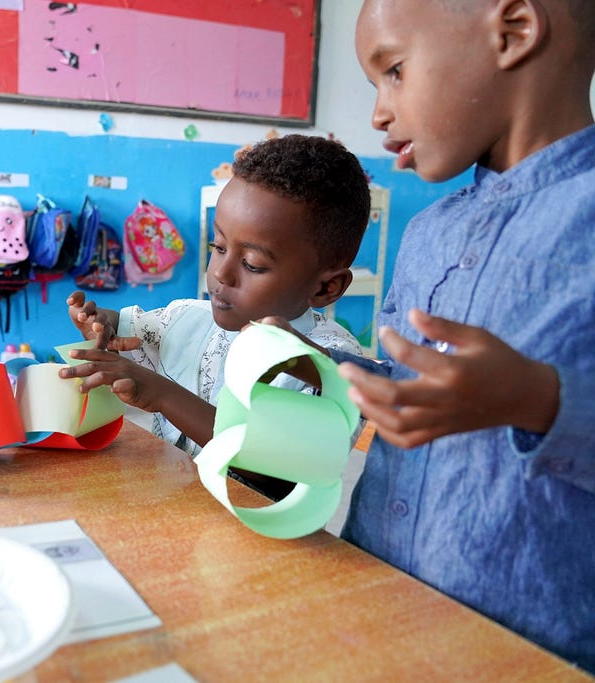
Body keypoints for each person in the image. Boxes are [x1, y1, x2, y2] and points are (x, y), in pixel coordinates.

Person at [271, 0, 593, 672]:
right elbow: (409, 390)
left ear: (514, 32)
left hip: (528, 649)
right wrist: (325, 370)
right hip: (376, 597)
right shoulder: (427, 235)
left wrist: (539, 399)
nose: (378, 115)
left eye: (394, 71)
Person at [61, 134, 370, 481]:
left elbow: (275, 467)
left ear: (326, 287)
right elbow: (129, 330)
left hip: (259, 533)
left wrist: (162, 395)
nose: (221, 273)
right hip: (176, 518)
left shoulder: (333, 366)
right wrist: (101, 323)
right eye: (218, 246)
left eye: (252, 264)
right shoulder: (189, 318)